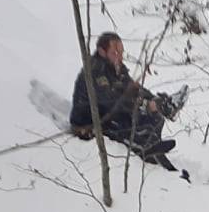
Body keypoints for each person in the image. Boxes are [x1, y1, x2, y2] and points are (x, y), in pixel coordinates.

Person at [70, 31, 187, 176]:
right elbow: (109, 102)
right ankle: (145, 148)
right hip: (90, 123)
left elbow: (134, 89)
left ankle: (153, 144)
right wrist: (141, 105)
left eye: (121, 52)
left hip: (109, 114)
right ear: (102, 52)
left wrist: (154, 101)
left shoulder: (118, 68)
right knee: (126, 125)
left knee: (155, 117)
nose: (120, 56)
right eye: (115, 52)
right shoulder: (95, 70)